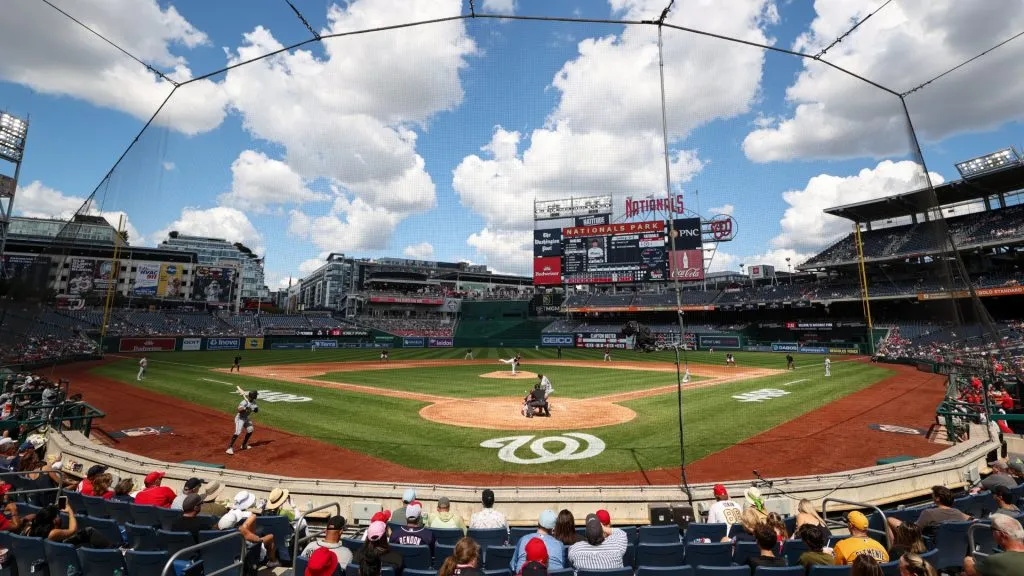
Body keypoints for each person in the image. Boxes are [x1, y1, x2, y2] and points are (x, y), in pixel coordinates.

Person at [217, 490, 281, 569]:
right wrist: (259, 539)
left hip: (227, 551)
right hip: (246, 550)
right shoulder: (241, 529)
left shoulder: (218, 529)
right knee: (270, 536)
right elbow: (256, 539)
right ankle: (273, 561)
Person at [890, 486, 969, 536]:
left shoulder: (928, 513)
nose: (932, 497)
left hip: (931, 547)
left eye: (933, 495)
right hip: (952, 548)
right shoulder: (958, 512)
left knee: (889, 519)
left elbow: (914, 531)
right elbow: (971, 519)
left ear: (937, 498)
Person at [226, 390, 259, 455]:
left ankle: (244, 445)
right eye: (256, 395)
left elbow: (256, 410)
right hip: (240, 418)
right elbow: (238, 410)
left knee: (250, 429)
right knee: (238, 432)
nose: (257, 396)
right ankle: (229, 448)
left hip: (246, 418)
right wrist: (245, 408)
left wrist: (253, 409)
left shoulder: (254, 402)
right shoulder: (244, 402)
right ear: (253, 396)